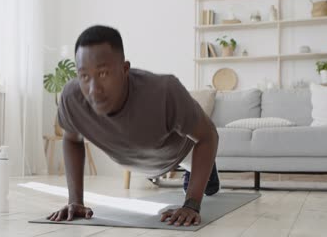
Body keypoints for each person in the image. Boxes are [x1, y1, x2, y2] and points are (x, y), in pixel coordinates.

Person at [47, 25, 219, 227]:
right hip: (137, 159)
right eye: (84, 76)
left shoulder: (164, 91)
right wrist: (75, 201)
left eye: (103, 74)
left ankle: (202, 174)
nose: (93, 90)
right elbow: (71, 139)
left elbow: (208, 136)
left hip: (181, 155)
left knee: (210, 188)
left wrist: (191, 205)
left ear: (125, 69)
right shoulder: (72, 97)